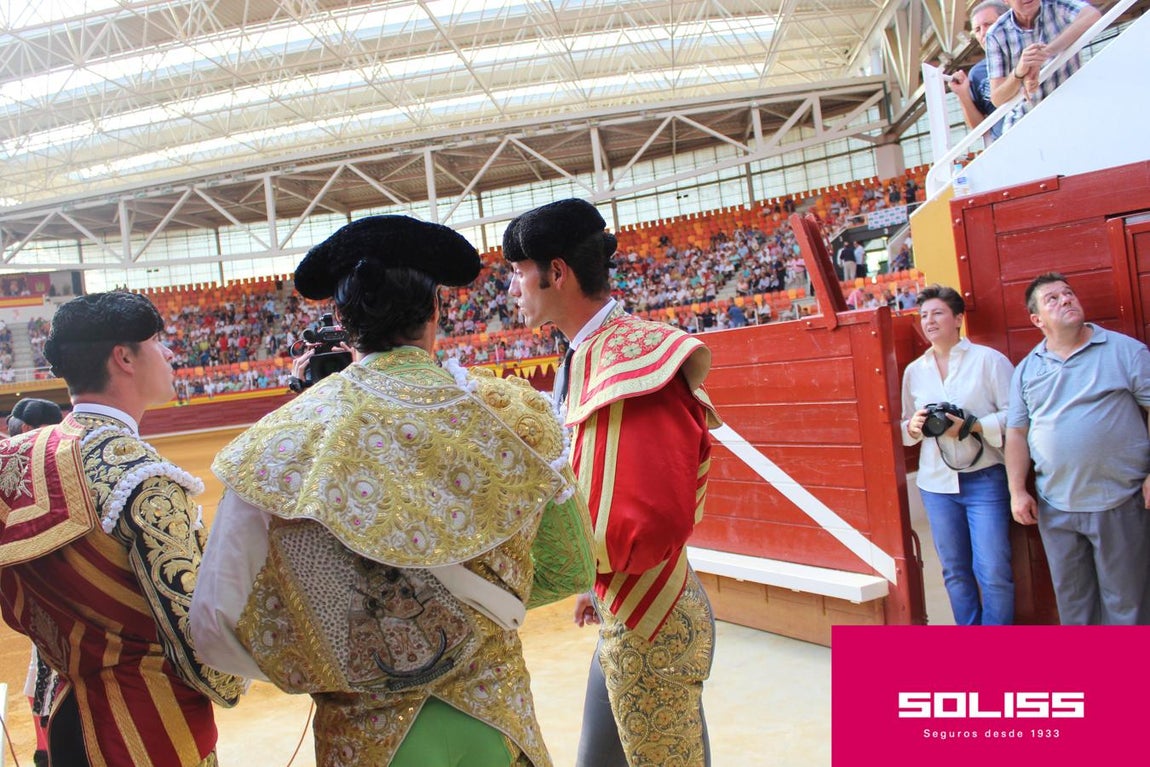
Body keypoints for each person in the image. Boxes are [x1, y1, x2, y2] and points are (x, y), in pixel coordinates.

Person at [190, 215, 595, 767]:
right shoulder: (513, 416)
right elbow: (572, 568)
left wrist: (336, 655)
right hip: (495, 720)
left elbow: (214, 624)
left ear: (340, 319)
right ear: (435, 310)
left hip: (367, 740)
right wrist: (474, 625)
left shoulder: (276, 446)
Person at [504, 199, 722, 767]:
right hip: (628, 606)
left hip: (650, 615)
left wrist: (579, 565)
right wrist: (590, 581)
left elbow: (649, 516)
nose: (511, 289)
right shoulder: (590, 353)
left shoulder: (631, 357)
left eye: (518, 272)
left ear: (557, 273)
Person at [0, 292, 244, 767]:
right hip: (154, 732)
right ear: (124, 357)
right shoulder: (144, 478)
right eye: (157, 341)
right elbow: (202, 653)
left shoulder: (21, 459)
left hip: (67, 718)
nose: (170, 353)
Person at [1006, 273, 1150, 624]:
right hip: (1056, 507)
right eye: (1052, 299)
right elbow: (1016, 433)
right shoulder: (1027, 370)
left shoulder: (1126, 351)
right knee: (1074, 608)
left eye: (1068, 293)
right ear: (1037, 320)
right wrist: (1016, 491)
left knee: (1127, 605)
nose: (1066, 300)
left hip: (1120, 501)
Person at [901, 286, 1015, 625]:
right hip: (936, 484)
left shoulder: (989, 360)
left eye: (937, 313)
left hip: (985, 477)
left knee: (993, 569)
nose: (929, 321)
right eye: (923, 315)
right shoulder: (914, 371)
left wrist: (973, 426)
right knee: (953, 570)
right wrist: (915, 425)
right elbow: (904, 427)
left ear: (958, 319)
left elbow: (1017, 417)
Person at [5, 398, 64, 767]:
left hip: (47, 595)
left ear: (27, 431)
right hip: (51, 593)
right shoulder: (63, 461)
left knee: (48, 673)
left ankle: (47, 753)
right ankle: (46, 752)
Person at [986, 0, 1102, 131]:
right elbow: (997, 98)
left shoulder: (1057, 4)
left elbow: (1092, 16)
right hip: (1026, 117)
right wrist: (1019, 72)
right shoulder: (996, 33)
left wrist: (1046, 53)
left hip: (1072, 106)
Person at [949, 1, 1008, 141]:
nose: (983, 33)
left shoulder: (1026, 49)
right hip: (1006, 143)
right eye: (977, 29)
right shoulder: (977, 74)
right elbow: (979, 128)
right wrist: (963, 94)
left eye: (988, 24)